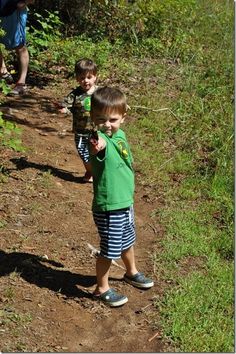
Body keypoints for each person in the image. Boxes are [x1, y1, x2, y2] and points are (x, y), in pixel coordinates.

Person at [89, 86, 154, 307]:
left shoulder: (120, 134)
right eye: (101, 119)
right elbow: (100, 146)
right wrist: (98, 146)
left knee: (127, 240)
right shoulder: (99, 138)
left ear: (123, 117)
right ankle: (102, 288)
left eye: (113, 119)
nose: (107, 124)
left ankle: (131, 272)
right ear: (93, 118)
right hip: (109, 207)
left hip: (125, 203)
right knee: (109, 249)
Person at [59, 58, 98, 183]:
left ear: (95, 77)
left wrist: (122, 106)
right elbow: (66, 106)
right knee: (84, 153)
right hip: (80, 131)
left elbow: (111, 102)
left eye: (89, 77)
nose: (85, 81)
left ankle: (97, 171)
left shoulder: (100, 93)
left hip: (97, 130)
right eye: (82, 78)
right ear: (77, 79)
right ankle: (90, 171)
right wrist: (64, 110)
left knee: (98, 152)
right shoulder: (75, 94)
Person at [0, 0, 34, 95]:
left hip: (14, 11)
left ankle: (21, 84)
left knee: (20, 46)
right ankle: (3, 72)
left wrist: (24, 2)